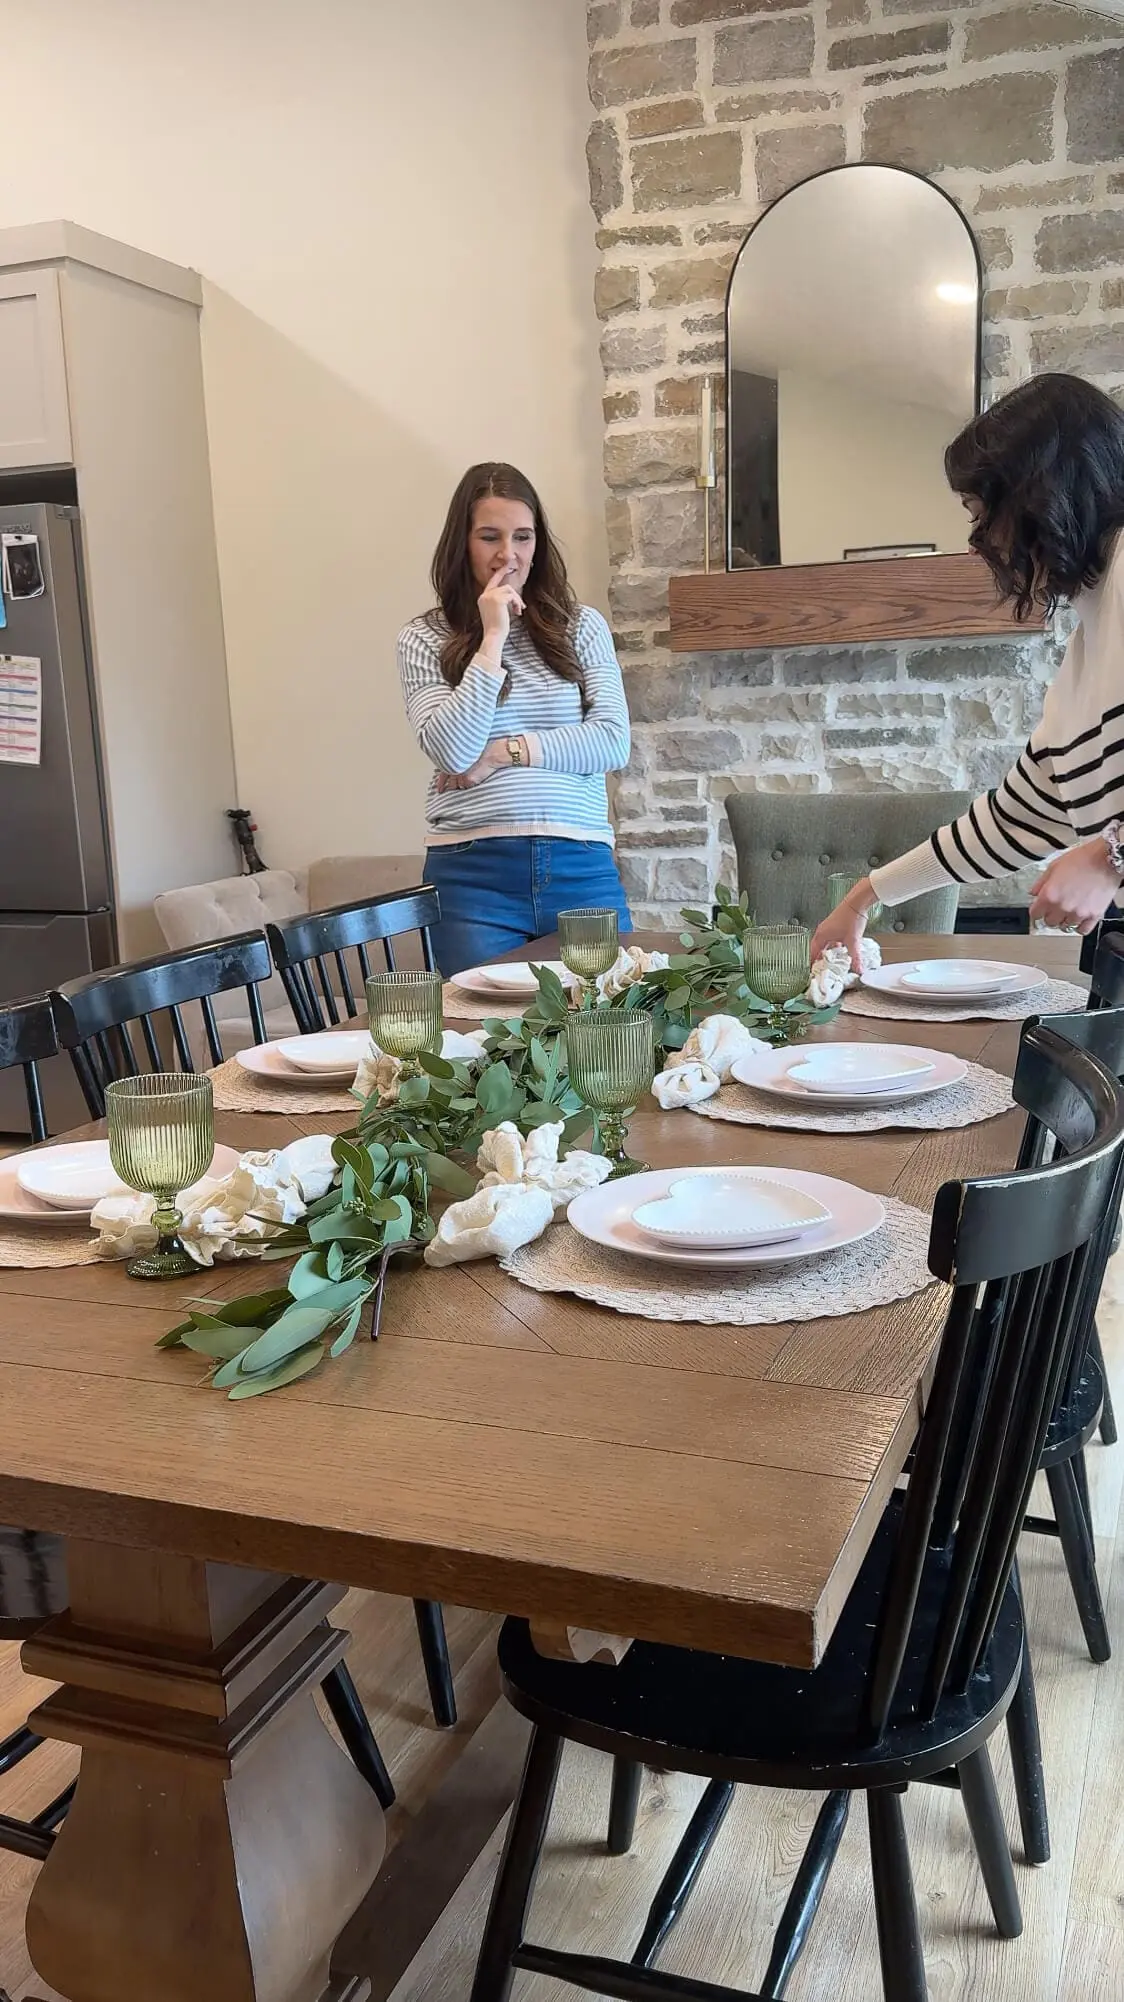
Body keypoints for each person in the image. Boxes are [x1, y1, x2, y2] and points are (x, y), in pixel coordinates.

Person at [812, 374, 1124, 966]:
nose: (981, 542)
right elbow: (1010, 823)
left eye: (982, 514)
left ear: (1039, 494)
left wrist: (1110, 855)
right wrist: (864, 897)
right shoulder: (1084, 666)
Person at [398, 462, 633, 975]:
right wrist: (491, 638)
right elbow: (453, 752)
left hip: (580, 863)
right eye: (490, 537)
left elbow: (613, 742)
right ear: (461, 544)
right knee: (481, 1042)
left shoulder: (582, 626)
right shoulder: (422, 638)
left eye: (523, 537)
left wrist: (504, 751)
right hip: (472, 873)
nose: (509, 555)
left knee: (610, 1031)